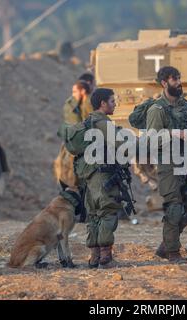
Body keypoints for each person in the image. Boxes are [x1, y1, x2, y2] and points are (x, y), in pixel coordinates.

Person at [146, 66, 187, 262]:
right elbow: (151, 140)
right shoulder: (157, 110)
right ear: (164, 83)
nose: (179, 83)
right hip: (168, 164)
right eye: (174, 79)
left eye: (179, 78)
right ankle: (172, 251)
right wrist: (171, 134)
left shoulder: (186, 107)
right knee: (174, 207)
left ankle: (166, 244)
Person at [74, 88, 131, 269]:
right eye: (113, 101)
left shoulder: (88, 121)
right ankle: (105, 257)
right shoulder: (103, 124)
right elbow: (123, 147)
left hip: (90, 177)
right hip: (103, 175)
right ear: (103, 104)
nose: (115, 104)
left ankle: (94, 257)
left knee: (94, 214)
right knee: (108, 211)